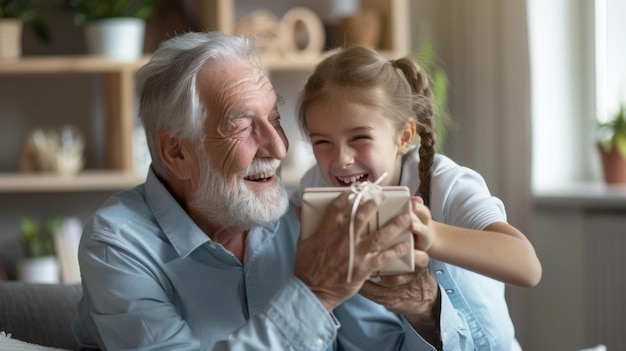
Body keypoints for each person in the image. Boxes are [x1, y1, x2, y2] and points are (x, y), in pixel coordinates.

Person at [71, 31, 477, 350]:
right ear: (176, 152)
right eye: (242, 125)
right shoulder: (117, 244)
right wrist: (313, 293)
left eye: (274, 118)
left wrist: (423, 309)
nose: (279, 147)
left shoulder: (307, 217)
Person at [290, 45, 543, 349]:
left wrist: (431, 235)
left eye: (359, 138)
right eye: (322, 142)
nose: (341, 159)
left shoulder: (445, 184)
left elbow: (527, 267)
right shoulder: (317, 184)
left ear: (404, 137)